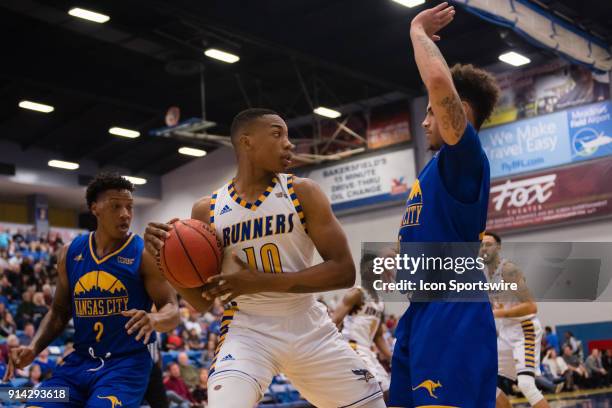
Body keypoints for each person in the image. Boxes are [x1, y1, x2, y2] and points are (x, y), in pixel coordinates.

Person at [145, 108, 385, 408]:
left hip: (308, 326)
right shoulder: (207, 210)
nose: (289, 143)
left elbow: (344, 271)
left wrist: (261, 282)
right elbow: (204, 301)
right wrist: (165, 262)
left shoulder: (303, 192)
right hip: (247, 330)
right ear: (247, 143)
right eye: (277, 133)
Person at [390, 3, 500, 407]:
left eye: (431, 112)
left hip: (453, 309)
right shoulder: (434, 171)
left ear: (459, 112)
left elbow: (438, 80)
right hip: (420, 312)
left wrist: (417, 30)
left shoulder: (464, 157)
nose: (424, 122)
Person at [3, 173, 180, 407]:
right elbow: (58, 312)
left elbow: (172, 308)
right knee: (33, 402)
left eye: (129, 207)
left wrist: (154, 318)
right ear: (94, 208)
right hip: (78, 365)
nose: (125, 214)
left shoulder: (144, 253)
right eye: (116, 206)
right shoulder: (70, 252)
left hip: (124, 367)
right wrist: (33, 348)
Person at [481, 232, 550, 408]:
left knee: (526, 384)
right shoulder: (485, 275)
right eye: (482, 244)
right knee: (484, 380)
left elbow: (531, 306)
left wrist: (498, 314)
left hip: (523, 330)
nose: (484, 248)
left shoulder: (508, 270)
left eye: (489, 244)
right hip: (504, 334)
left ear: (499, 248)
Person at [332, 254, 392, 400]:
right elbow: (334, 321)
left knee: (388, 390)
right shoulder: (357, 293)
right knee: (374, 387)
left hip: (367, 349)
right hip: (352, 346)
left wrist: (392, 358)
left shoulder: (380, 303)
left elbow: (377, 337)